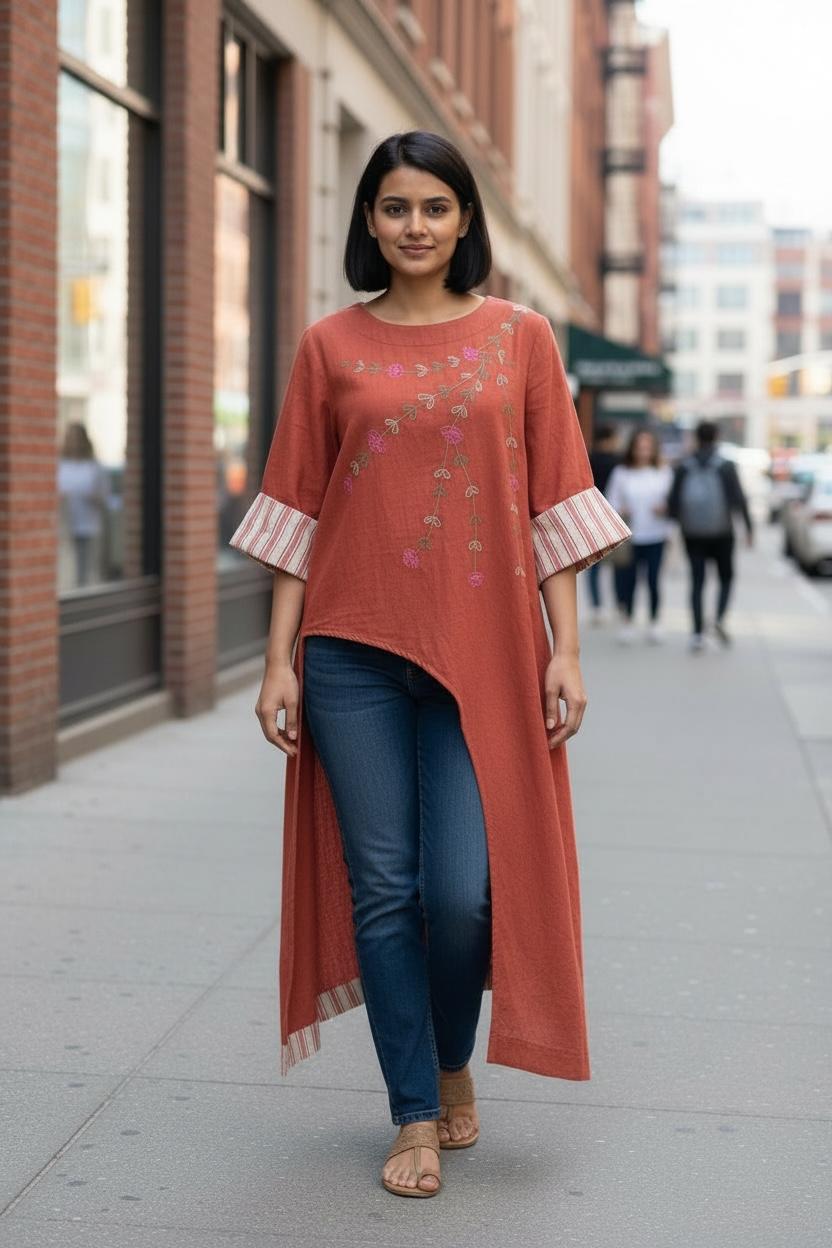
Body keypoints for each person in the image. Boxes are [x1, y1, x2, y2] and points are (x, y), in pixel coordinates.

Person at [229, 131, 631, 1199]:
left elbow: (553, 501)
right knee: (384, 888)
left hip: (487, 655)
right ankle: (412, 1109)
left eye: (435, 209)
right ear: (369, 222)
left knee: (460, 895)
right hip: (350, 648)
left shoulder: (522, 339)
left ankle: (450, 1052)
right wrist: (277, 661)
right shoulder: (328, 346)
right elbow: (295, 507)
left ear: (464, 224)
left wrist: (568, 650)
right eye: (395, 208)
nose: (415, 226)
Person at [667, 420, 753, 651]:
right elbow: (739, 499)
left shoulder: (684, 465)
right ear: (716, 436)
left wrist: (673, 527)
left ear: (697, 437)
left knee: (697, 581)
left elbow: (673, 501)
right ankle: (719, 618)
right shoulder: (726, 466)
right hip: (722, 532)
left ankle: (696, 633)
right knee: (726, 577)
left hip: (692, 533)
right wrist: (748, 528)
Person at [605, 427, 673, 644]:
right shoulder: (621, 473)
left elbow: (673, 501)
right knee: (629, 580)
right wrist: (621, 509)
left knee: (653, 579)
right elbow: (610, 500)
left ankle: (654, 621)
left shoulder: (663, 472)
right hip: (630, 535)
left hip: (656, 534)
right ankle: (628, 620)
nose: (643, 452)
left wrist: (665, 509)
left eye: (647, 447)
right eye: (639, 447)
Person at [57, 421, 111, 588]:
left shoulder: (94, 467)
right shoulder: (60, 465)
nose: (74, 443)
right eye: (70, 438)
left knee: (87, 569)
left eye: (77, 439)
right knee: (66, 567)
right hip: (65, 525)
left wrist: (93, 496)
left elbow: (105, 495)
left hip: (88, 524)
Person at [587, 423, 625, 623]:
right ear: (610, 439)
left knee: (594, 565)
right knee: (619, 563)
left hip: (591, 515)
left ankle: (596, 607)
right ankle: (620, 603)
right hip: (614, 515)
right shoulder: (618, 462)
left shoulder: (588, 459)